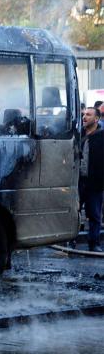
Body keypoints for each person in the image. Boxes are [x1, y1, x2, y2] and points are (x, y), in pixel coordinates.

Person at [80, 107, 104, 252]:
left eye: (88, 115)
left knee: (94, 214)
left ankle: (94, 243)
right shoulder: (77, 134)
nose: (84, 117)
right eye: (83, 114)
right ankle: (70, 241)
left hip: (95, 182)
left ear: (96, 119)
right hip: (78, 181)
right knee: (74, 212)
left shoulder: (101, 137)